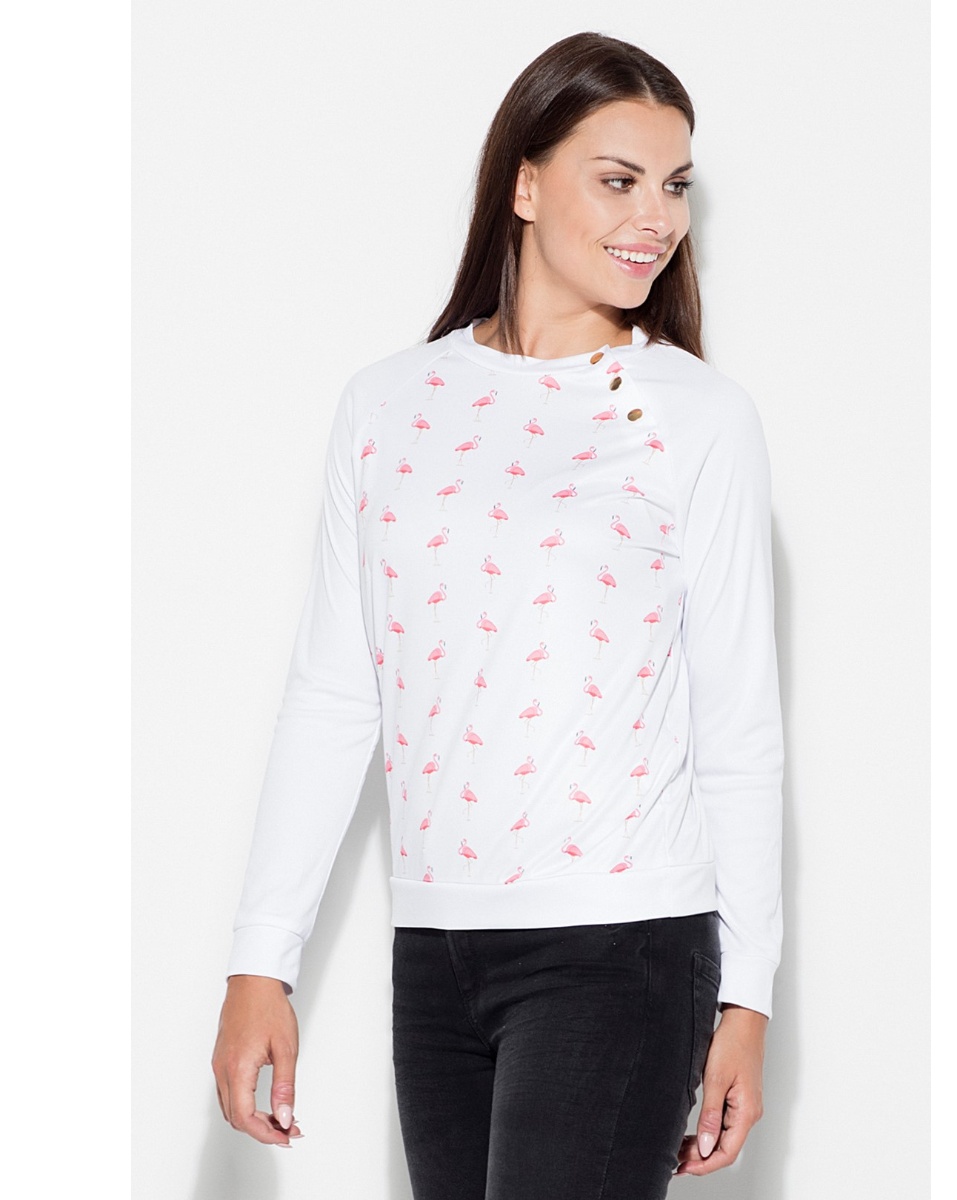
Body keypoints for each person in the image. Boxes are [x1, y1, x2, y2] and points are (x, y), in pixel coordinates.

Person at [211, 31, 784, 1199]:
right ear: (525, 184)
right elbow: (335, 693)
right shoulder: (387, 404)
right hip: (436, 953)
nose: (656, 219)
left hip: (624, 945)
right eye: (618, 180)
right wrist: (259, 962)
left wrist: (748, 994)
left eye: (675, 186)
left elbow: (738, 726)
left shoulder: (697, 417)